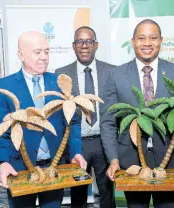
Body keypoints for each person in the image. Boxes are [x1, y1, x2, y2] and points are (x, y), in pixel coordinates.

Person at [99, 19, 174, 208]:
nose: (147, 43)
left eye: (153, 38)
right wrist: (113, 159)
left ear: (161, 40)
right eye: (141, 38)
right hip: (131, 161)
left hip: (169, 162)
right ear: (133, 41)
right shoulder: (115, 75)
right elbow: (108, 122)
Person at [0, 31, 87, 208]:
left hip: (54, 167)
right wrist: (3, 162)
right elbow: (0, 130)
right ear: (21, 54)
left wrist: (76, 152)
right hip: (19, 168)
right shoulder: (4, 86)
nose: (44, 57)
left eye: (47, 51)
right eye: (37, 52)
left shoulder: (60, 82)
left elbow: (73, 122)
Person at [55, 26, 116, 208]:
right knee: (78, 193)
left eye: (89, 41)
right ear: (73, 46)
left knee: (107, 192)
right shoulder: (61, 74)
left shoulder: (112, 71)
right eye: (80, 42)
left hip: (103, 141)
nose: (84, 46)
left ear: (96, 45)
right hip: (76, 143)